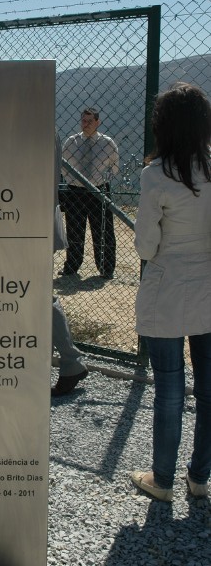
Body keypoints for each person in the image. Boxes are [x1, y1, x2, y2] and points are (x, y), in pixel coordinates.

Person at [131, 83, 211, 501]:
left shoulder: (156, 174)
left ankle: (162, 480)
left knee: (169, 387)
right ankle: (200, 477)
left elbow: (145, 247)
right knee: (209, 388)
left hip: (167, 288)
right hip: (208, 287)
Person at [61, 108, 119, 278]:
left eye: (89, 121)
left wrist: (103, 180)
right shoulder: (71, 142)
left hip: (99, 190)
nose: (85, 124)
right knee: (74, 229)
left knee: (103, 230)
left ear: (97, 123)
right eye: (83, 121)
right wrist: (72, 180)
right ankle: (72, 266)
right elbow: (62, 165)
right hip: (75, 190)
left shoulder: (107, 143)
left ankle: (106, 268)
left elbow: (114, 167)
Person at [52, 131, 88, 395]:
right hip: (25, 220)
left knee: (34, 294)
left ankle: (70, 361)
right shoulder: (40, 120)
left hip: (22, 222)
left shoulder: (27, 119)